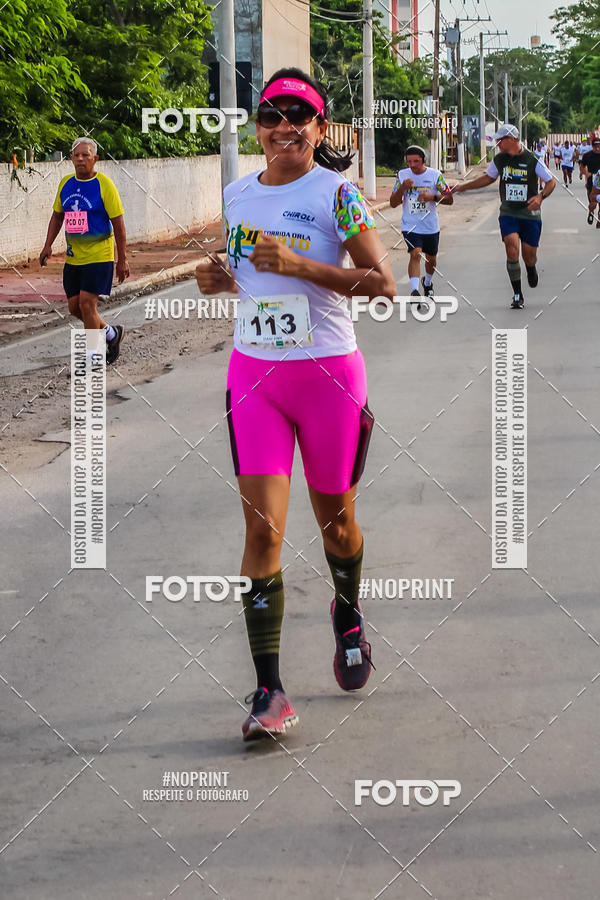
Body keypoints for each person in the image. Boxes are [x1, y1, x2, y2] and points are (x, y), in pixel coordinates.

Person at [195, 68, 396, 742]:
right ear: (257, 127)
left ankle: (347, 612)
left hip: (330, 379)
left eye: (299, 116)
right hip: (256, 377)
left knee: (337, 525)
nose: (284, 127)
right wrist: (217, 278)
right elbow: (241, 273)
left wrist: (306, 267)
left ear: (319, 127)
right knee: (262, 533)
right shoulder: (235, 194)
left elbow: (383, 286)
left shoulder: (338, 195)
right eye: (272, 115)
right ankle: (269, 691)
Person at [40, 138, 129, 364]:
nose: (80, 159)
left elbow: (118, 224)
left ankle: (93, 355)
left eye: (86, 155)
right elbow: (57, 216)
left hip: (99, 256)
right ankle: (111, 333)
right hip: (74, 257)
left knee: (87, 304)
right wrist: (48, 244)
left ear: (95, 159)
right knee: (74, 307)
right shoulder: (65, 184)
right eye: (76, 155)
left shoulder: (105, 185)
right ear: (71, 158)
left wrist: (122, 260)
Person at [452, 123, 555, 309]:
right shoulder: (500, 160)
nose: (498, 144)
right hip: (509, 212)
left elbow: (550, 182)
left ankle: (531, 269)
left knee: (529, 255)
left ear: (512, 139)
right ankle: (517, 294)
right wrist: (463, 187)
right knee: (511, 246)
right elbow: (488, 178)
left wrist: (541, 197)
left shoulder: (533, 159)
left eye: (500, 140)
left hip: (530, 213)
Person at [388, 145, 453, 302]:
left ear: (423, 160)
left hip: (430, 225)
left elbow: (449, 199)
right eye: (409, 161)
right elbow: (392, 203)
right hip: (410, 225)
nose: (412, 165)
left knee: (431, 259)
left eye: (416, 161)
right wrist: (402, 188)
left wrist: (433, 197)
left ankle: (428, 283)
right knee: (415, 253)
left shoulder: (435, 175)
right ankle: (415, 291)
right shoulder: (402, 175)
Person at [582, 137, 600, 225]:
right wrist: (586, 173)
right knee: (592, 201)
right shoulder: (587, 155)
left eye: (599, 146)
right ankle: (591, 211)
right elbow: (582, 166)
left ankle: (599, 220)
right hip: (591, 181)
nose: (597, 148)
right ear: (592, 146)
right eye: (595, 146)